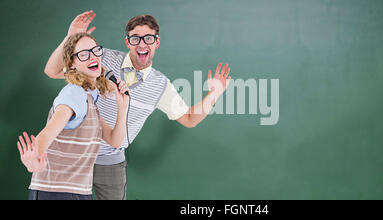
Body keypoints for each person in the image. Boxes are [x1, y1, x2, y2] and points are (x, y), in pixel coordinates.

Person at [44, 11, 231, 200]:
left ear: (157, 42)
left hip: (111, 160)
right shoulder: (102, 59)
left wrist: (214, 94)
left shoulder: (161, 86)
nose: (142, 44)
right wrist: (70, 37)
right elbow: (53, 71)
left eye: (148, 38)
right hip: (75, 153)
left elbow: (190, 119)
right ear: (128, 42)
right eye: (135, 38)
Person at [17, 32, 130, 200]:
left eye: (95, 51)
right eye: (83, 54)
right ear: (72, 64)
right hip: (57, 192)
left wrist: (123, 107)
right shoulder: (74, 94)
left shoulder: (88, 98)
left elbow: (115, 140)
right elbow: (48, 132)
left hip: (77, 191)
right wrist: (33, 159)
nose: (92, 57)